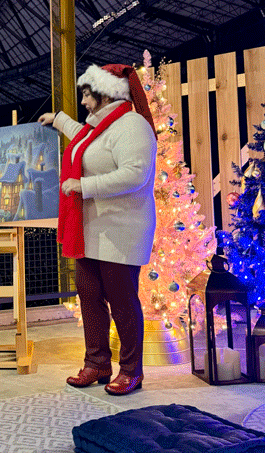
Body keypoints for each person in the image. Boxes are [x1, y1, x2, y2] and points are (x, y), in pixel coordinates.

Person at [38, 64, 156, 396]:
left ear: (107, 93)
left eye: (88, 95)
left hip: (121, 230)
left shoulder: (132, 126)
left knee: (121, 301)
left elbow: (136, 174)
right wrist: (58, 120)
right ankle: (97, 363)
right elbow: (85, 140)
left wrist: (83, 185)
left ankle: (131, 370)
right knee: (89, 297)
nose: (85, 103)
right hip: (90, 229)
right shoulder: (100, 128)